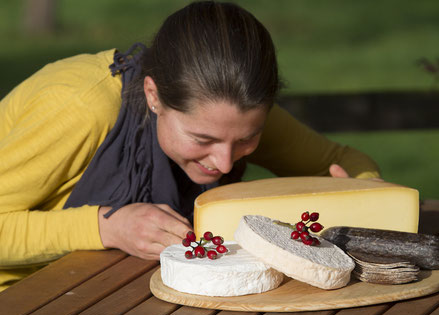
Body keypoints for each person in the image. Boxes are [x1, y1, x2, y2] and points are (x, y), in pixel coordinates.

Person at [0, 1, 380, 290]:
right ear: (154, 96)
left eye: (248, 139)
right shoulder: (78, 107)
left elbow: (339, 160)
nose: (226, 162)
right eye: (202, 139)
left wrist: (359, 195)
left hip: (109, 293)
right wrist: (106, 228)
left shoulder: (233, 111)